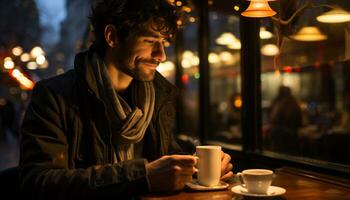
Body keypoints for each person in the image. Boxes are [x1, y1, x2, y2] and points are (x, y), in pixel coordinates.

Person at [19, 0, 234, 199]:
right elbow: (39, 182)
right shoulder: (54, 95)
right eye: (150, 41)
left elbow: (165, 159)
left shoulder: (158, 96)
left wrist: (200, 167)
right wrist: (142, 176)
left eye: (164, 43)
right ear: (112, 36)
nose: (161, 55)